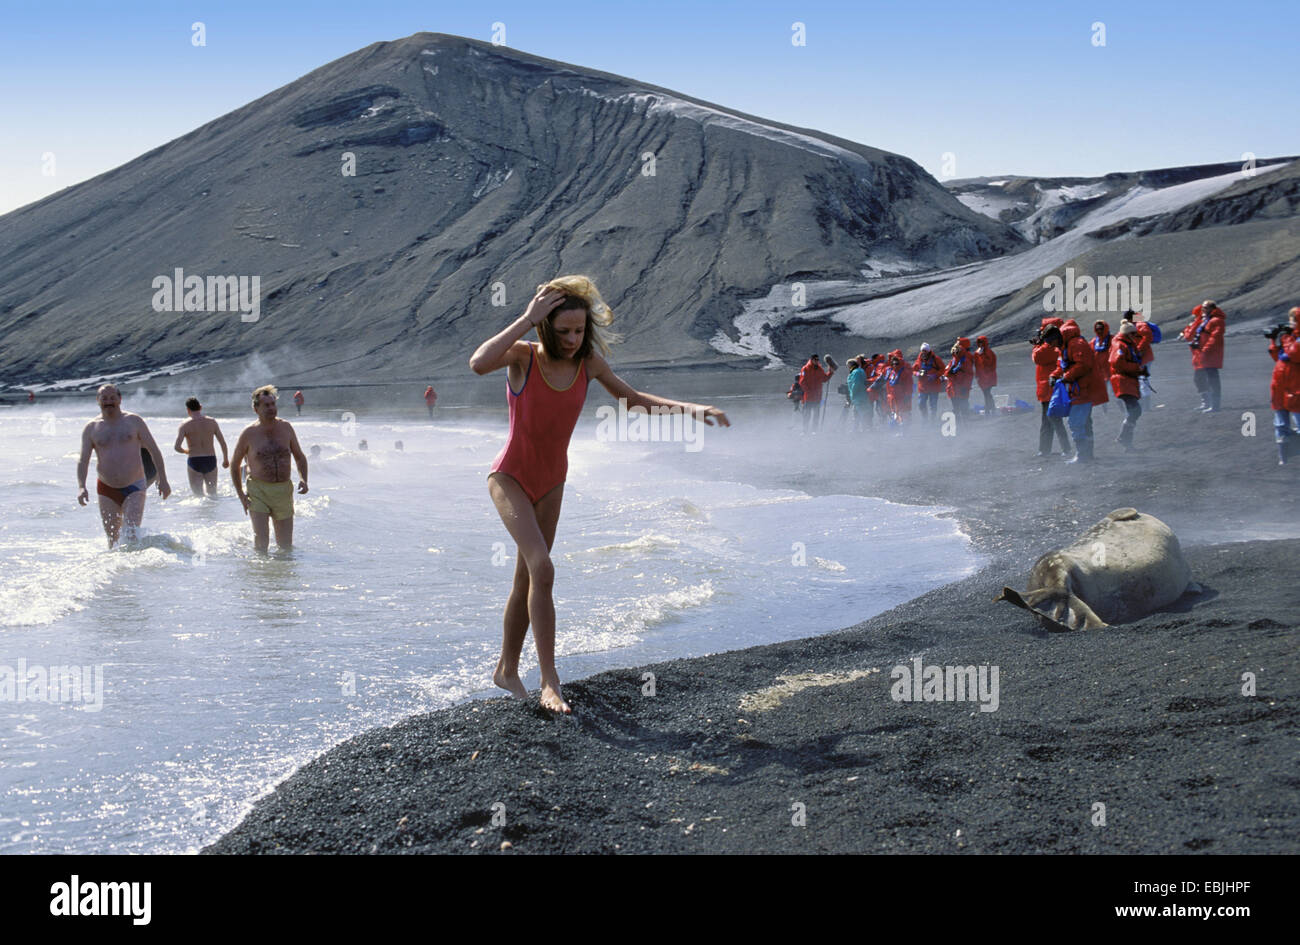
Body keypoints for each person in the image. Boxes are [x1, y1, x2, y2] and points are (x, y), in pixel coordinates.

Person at [470, 276, 730, 714]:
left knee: (526, 578)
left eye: (578, 330)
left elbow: (632, 399)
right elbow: (479, 362)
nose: (572, 339)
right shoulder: (523, 357)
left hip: (552, 481)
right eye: (563, 331)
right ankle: (549, 681)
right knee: (542, 567)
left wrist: (693, 410)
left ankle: (506, 669)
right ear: (544, 328)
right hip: (510, 476)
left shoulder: (587, 363)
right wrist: (525, 319)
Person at [76, 384, 171, 547]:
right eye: (104, 398)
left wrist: (163, 479)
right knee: (112, 541)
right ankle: (118, 572)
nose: (108, 402)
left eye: (112, 398)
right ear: (98, 401)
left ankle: (137, 570)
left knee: (131, 535)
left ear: (120, 399)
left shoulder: (133, 421)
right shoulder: (91, 428)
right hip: (106, 488)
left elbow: (154, 451)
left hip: (134, 485)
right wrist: (81, 486)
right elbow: (83, 460)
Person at [230, 385, 309, 553]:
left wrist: (304, 479)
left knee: (285, 546)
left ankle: (283, 576)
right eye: (266, 405)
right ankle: (261, 577)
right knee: (261, 542)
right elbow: (235, 464)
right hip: (258, 490)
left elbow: (299, 457)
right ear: (256, 408)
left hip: (283, 490)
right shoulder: (249, 433)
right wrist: (241, 495)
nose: (271, 408)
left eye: (273, 404)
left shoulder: (286, 428)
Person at [1048, 319, 1103, 463]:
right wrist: (1055, 375)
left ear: (1056, 338)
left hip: (1083, 389)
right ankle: (1087, 454)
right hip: (1078, 389)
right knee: (1084, 423)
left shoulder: (1076, 344)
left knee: (1076, 423)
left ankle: (1082, 455)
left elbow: (1084, 365)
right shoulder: (1066, 345)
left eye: (1051, 342)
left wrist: (1066, 377)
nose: (1050, 346)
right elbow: (1063, 365)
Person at [174, 397, 229, 497]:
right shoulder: (212, 422)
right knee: (213, 494)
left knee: (198, 496)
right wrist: (225, 459)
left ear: (187, 410)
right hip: (210, 460)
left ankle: (200, 513)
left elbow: (177, 447)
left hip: (194, 460)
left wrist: (186, 451)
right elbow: (223, 443)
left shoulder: (184, 425)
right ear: (200, 407)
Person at [1034, 318, 1070, 457]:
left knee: (1052, 419)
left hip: (1049, 387)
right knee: (1051, 420)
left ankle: (1053, 449)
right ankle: (1048, 449)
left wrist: (1038, 344)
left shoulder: (1051, 345)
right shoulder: (1057, 344)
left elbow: (1037, 357)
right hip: (1048, 387)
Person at [1268, 307, 1300, 465]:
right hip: (1280, 387)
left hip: (1296, 388)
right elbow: (1279, 358)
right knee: (1280, 424)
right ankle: (1284, 458)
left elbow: (1294, 354)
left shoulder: (1295, 340)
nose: (1291, 323)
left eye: (1293, 321)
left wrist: (1286, 336)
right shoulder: (1292, 338)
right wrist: (1274, 340)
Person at [1181, 300, 1226, 412]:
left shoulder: (1217, 321)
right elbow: (1192, 335)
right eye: (1202, 308)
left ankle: (1215, 405)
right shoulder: (1206, 320)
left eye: (1205, 308)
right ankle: (1209, 404)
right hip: (1203, 354)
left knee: (1212, 380)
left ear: (1212, 309)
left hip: (1211, 354)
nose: (1202, 310)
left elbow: (1215, 337)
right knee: (1201, 378)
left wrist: (1205, 349)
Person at [1109, 319, 1146, 451]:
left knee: (1134, 411)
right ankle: (1124, 438)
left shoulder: (1126, 344)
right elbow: (1117, 363)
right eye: (1134, 334)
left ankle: (1127, 442)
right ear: (1128, 334)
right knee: (1135, 410)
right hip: (1123, 381)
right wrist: (1137, 368)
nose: (1136, 336)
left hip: (1127, 381)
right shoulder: (1121, 345)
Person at [796, 354, 834, 434]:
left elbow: (824, 379)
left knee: (816, 414)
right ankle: (805, 430)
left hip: (817, 396)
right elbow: (802, 382)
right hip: (808, 397)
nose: (817, 361)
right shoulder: (805, 369)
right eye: (815, 359)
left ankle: (814, 431)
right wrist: (809, 391)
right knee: (807, 414)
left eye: (818, 359)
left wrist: (830, 373)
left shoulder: (820, 369)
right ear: (811, 360)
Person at [942, 337, 974, 429]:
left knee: (963, 407)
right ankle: (959, 426)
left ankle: (966, 426)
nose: (955, 349)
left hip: (961, 388)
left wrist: (965, 386)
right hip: (953, 388)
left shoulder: (965, 360)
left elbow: (968, 375)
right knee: (957, 408)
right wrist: (950, 372)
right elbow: (947, 372)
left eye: (958, 345)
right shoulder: (954, 360)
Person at [913, 343, 945, 421]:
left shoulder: (936, 359)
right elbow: (913, 370)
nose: (923, 352)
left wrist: (935, 375)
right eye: (922, 351)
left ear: (928, 351)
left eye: (925, 351)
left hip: (934, 386)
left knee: (933, 405)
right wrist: (917, 373)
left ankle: (932, 420)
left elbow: (943, 369)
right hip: (923, 387)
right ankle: (925, 419)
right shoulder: (919, 360)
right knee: (921, 404)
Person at [884, 349, 913, 427]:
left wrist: (907, 395)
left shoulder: (904, 371)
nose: (894, 365)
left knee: (903, 413)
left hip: (902, 397)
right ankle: (898, 429)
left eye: (896, 363)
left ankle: (904, 430)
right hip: (893, 397)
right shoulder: (891, 371)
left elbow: (909, 385)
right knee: (895, 414)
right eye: (893, 363)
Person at [971, 335, 998, 416]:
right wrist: (977, 375)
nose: (980, 344)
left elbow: (990, 364)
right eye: (979, 342)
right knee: (986, 394)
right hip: (982, 377)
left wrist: (982, 355)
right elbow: (976, 365)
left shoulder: (988, 352)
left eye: (981, 342)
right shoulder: (978, 352)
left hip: (989, 377)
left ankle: (989, 410)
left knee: (987, 394)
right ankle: (991, 409)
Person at [1091, 321, 1113, 413]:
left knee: (1114, 393)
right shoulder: (1093, 342)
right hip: (1100, 373)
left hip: (1112, 371)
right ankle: (1106, 412)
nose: (1099, 331)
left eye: (1101, 328)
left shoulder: (1112, 339)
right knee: (1103, 394)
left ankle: (1122, 410)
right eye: (1097, 329)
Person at [846, 358, 869, 432]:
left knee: (859, 413)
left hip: (857, 397)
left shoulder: (855, 372)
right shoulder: (861, 370)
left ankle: (862, 429)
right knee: (857, 413)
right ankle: (857, 429)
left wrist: (852, 394)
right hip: (862, 396)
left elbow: (856, 384)